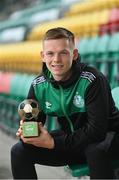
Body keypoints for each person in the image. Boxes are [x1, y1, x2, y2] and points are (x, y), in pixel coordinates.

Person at [11, 27, 119, 179]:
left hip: (107, 137)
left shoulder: (92, 79)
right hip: (71, 139)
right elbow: (35, 125)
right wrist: (28, 134)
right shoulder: (39, 85)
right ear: (43, 56)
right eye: (50, 53)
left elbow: (97, 132)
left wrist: (54, 143)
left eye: (63, 52)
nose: (56, 59)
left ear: (74, 54)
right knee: (19, 151)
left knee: (95, 151)